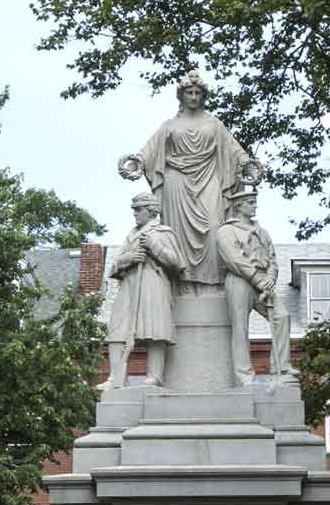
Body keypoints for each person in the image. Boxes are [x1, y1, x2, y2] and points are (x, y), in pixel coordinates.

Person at [118, 71, 260, 286]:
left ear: (203, 96)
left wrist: (246, 164)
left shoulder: (215, 125)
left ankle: (213, 285)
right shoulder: (169, 125)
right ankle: (181, 285)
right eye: (189, 92)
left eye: (197, 93)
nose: (193, 97)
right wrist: (136, 162)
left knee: (215, 228)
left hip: (208, 180)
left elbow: (234, 151)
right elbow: (149, 151)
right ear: (181, 96)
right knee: (176, 236)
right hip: (177, 184)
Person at [98, 192, 185, 389]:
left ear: (151, 210)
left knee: (154, 328)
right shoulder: (131, 234)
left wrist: (153, 247)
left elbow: (177, 263)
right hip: (129, 283)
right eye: (134, 210)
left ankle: (154, 376)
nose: (135, 214)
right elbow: (114, 266)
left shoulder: (163, 232)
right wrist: (130, 257)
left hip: (152, 283)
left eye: (139, 210)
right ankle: (117, 378)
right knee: (117, 330)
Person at [216, 187, 298, 386]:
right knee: (240, 327)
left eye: (254, 202)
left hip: (263, 283)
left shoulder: (262, 232)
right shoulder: (227, 231)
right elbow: (234, 259)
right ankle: (244, 377)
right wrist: (259, 280)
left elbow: (272, 259)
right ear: (238, 206)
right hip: (239, 280)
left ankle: (281, 369)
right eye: (250, 203)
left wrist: (270, 278)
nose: (254, 206)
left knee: (282, 316)